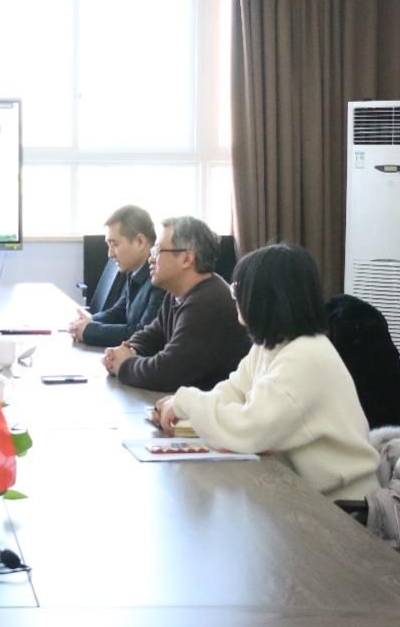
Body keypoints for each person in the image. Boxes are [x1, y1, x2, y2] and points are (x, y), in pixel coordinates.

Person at [154, 244, 379, 500]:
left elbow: (249, 430)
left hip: (342, 507)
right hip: (305, 491)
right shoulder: (271, 345)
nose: (235, 296)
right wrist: (182, 406)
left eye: (238, 289)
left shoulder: (305, 357)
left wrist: (187, 403)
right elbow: (235, 390)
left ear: (264, 298)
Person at [103, 216, 249, 391]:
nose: (150, 259)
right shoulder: (178, 294)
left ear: (186, 259)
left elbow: (167, 373)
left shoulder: (207, 303)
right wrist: (130, 349)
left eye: (157, 251)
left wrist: (124, 364)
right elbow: (152, 335)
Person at [68, 205, 166, 347]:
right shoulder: (134, 271)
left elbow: (142, 334)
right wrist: (89, 321)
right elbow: (119, 312)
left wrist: (89, 331)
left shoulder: (161, 280)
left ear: (140, 241)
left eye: (114, 244)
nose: (110, 254)